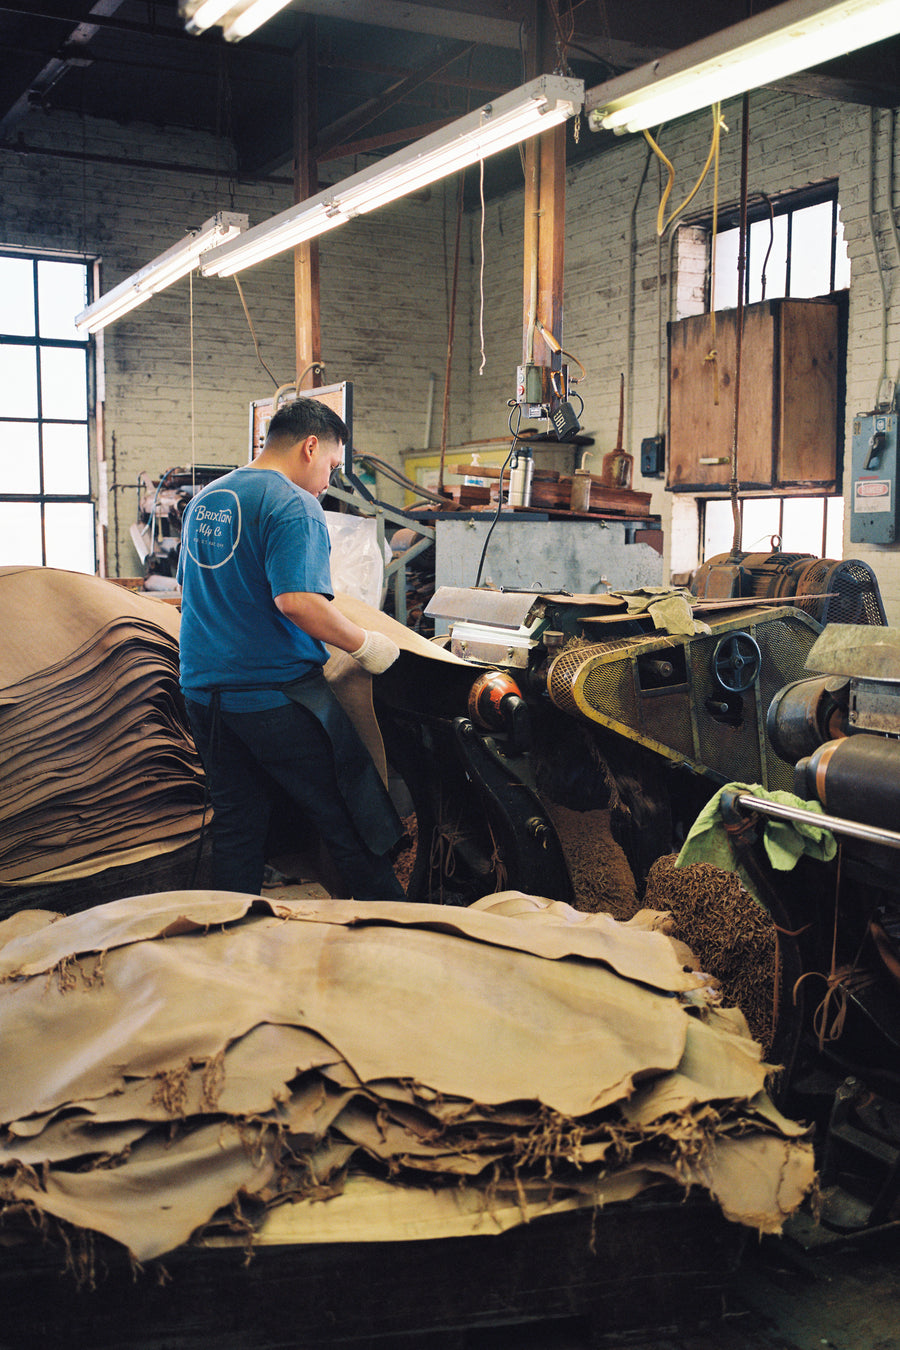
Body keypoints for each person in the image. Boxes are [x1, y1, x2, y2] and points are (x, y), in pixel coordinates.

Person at [176, 396, 406, 901]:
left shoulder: (206, 500)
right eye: (331, 465)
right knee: (347, 813)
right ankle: (402, 933)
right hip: (273, 696)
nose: (329, 481)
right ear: (309, 446)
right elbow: (297, 601)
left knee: (240, 821)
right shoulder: (293, 504)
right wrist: (365, 644)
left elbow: (193, 591)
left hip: (203, 695)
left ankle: (228, 936)